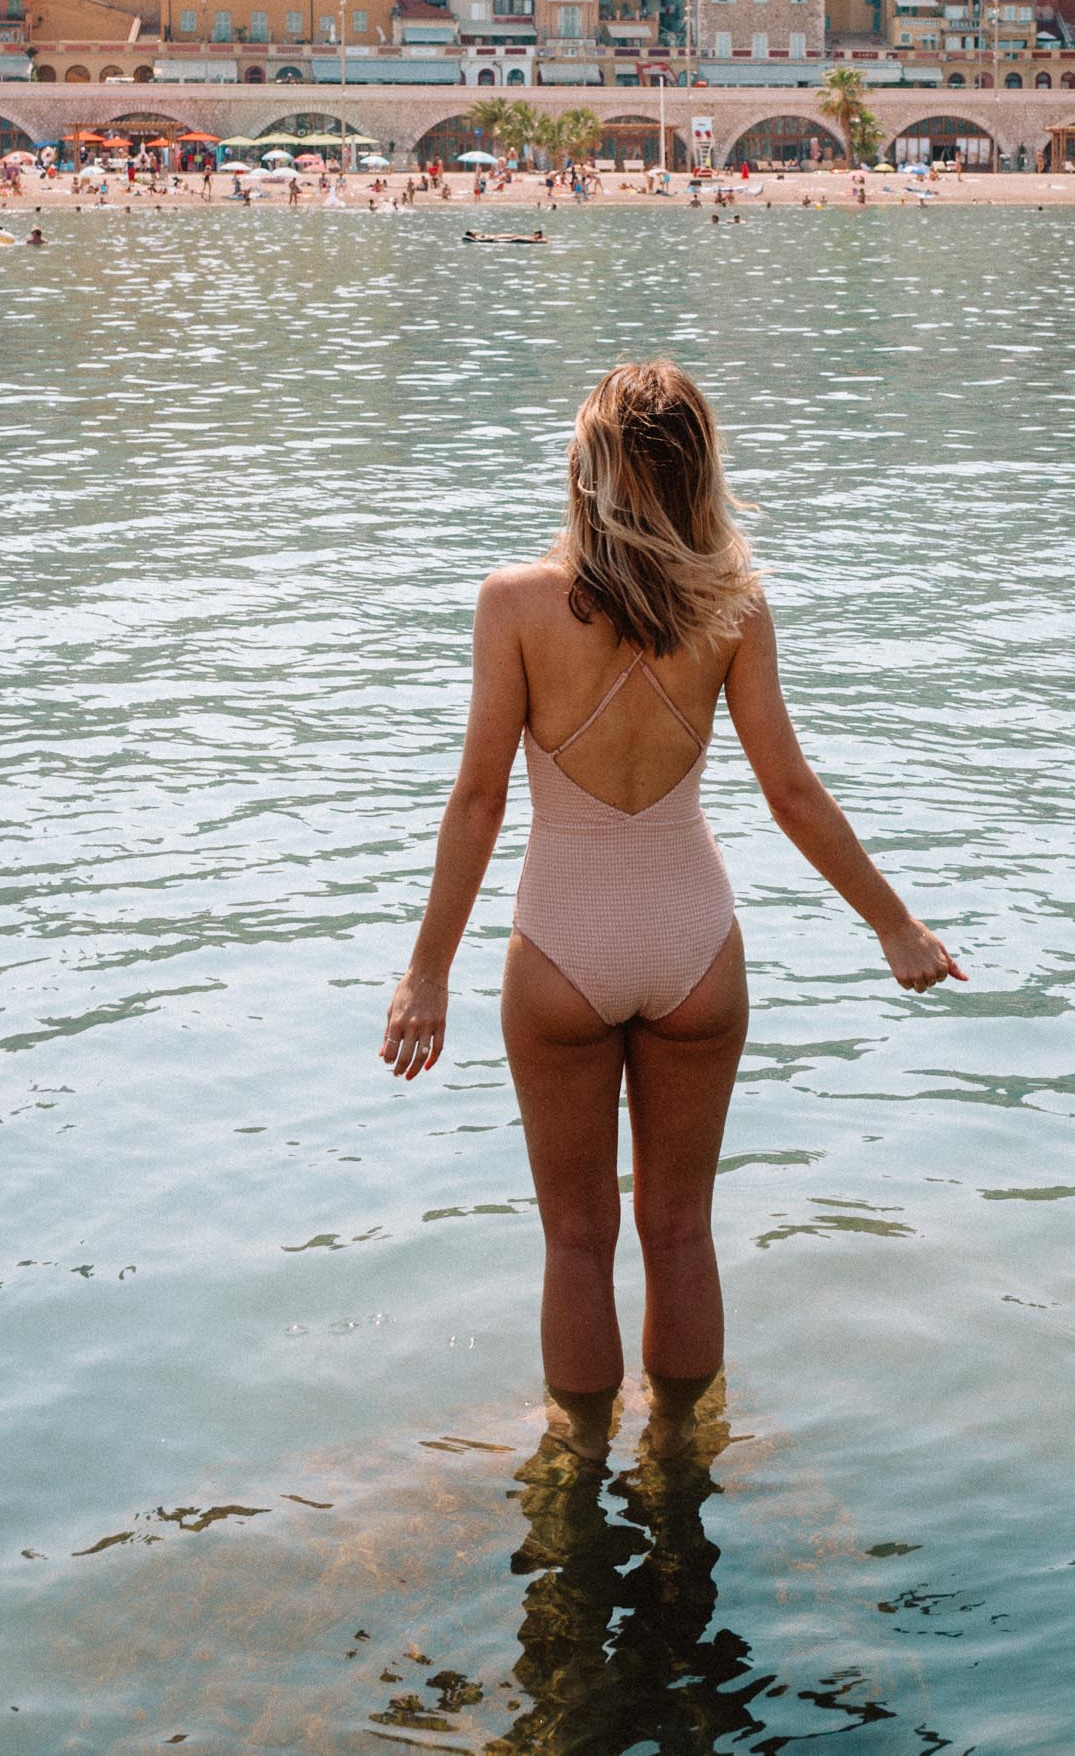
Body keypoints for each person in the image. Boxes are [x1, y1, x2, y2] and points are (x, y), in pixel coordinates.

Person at [381, 361, 964, 1437]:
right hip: (695, 945)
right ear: (699, 472)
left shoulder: (512, 606)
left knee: (572, 1238)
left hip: (559, 945)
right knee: (682, 1231)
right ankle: (685, 1470)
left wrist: (427, 974)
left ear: (585, 470)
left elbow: (475, 801)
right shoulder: (732, 607)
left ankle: (576, 1467)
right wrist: (895, 924)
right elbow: (788, 790)